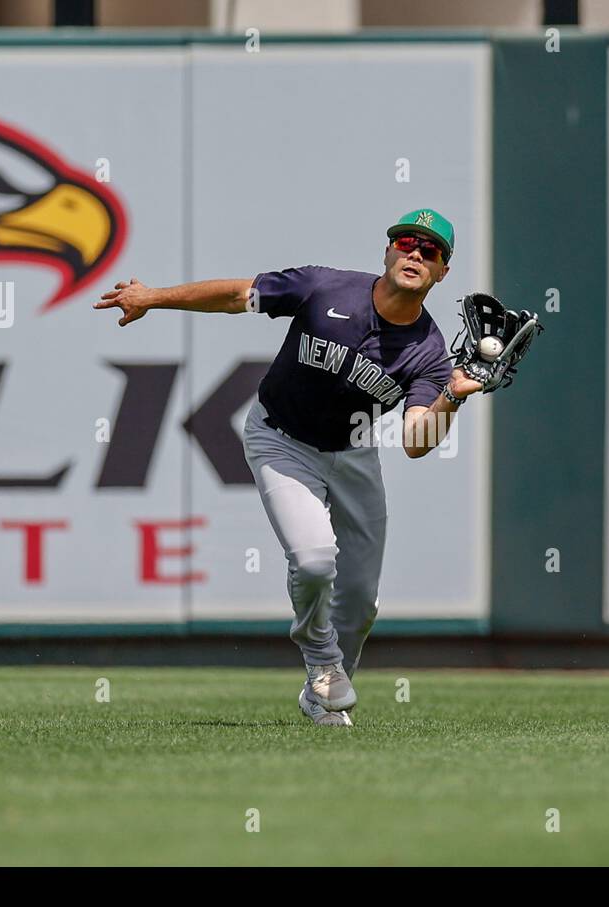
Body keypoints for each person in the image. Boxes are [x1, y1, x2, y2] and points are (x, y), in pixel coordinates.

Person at [94, 208, 482, 725]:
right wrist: (152, 297)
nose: (415, 253)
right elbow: (236, 296)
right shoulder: (325, 289)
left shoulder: (429, 352)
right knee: (316, 560)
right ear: (387, 251)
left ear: (442, 271)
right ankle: (322, 662)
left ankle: (318, 697)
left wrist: (451, 398)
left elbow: (416, 442)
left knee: (362, 602)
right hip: (282, 441)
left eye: (429, 250)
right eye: (406, 242)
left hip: (354, 454)